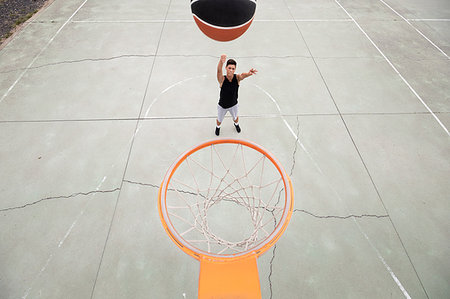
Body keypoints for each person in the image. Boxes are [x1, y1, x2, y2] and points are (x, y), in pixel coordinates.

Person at [215, 54, 257, 136]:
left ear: (235, 70)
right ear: (226, 68)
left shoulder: (237, 78)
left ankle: (236, 125)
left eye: (233, 69)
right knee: (219, 120)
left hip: (234, 105)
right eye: (229, 68)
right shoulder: (222, 79)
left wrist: (248, 74)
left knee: (235, 119)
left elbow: (242, 75)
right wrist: (221, 62)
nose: (231, 70)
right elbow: (219, 71)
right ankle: (218, 127)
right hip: (222, 106)